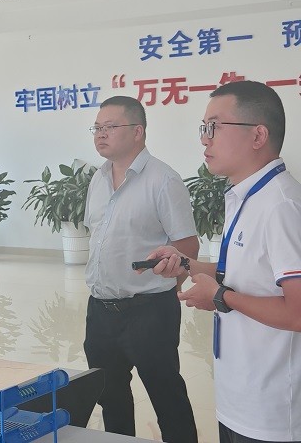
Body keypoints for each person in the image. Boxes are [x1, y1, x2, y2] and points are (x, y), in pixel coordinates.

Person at [148, 80, 301, 443]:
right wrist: (187, 264)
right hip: (238, 398)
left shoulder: (281, 206)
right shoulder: (246, 195)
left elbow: (298, 312)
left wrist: (219, 297)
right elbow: (245, 274)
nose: (205, 139)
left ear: (258, 135)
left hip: (273, 411)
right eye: (203, 128)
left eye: (214, 127)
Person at [84, 95, 198, 442]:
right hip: (101, 309)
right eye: (97, 128)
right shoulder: (98, 179)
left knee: (167, 397)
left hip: (149, 311)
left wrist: (168, 282)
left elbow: (188, 247)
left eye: (110, 127)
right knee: (110, 397)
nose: (101, 134)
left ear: (138, 131)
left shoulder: (164, 180)